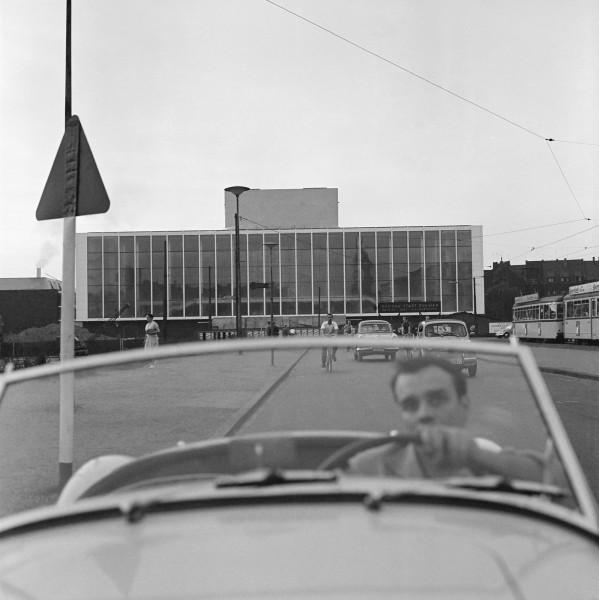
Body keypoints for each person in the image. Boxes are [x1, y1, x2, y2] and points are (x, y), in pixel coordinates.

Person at [348, 356, 545, 481]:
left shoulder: (492, 458)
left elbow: (556, 482)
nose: (424, 414)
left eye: (437, 400)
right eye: (410, 405)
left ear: (463, 406)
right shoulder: (369, 466)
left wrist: (477, 456)